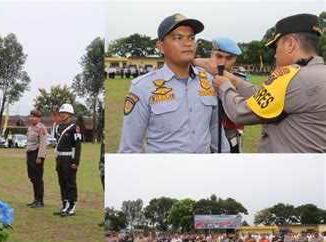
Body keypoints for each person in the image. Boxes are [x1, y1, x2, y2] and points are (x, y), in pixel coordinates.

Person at [213, 13, 326, 153]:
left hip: (288, 168)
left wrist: (224, 86)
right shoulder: (319, 73)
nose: (275, 54)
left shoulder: (293, 78)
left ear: (290, 44)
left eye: (276, 47)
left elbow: (240, 112)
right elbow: (269, 98)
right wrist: (236, 82)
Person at [118, 13, 229, 153]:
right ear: (161, 46)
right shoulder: (142, 87)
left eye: (192, 38)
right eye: (178, 38)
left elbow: (214, 127)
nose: (187, 43)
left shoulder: (209, 81)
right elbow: (129, 148)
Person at [194, 37, 246, 153]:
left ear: (235, 60)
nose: (222, 63)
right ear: (211, 54)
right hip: (201, 141)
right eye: (218, 56)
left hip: (230, 138)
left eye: (229, 58)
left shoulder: (240, 80)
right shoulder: (196, 76)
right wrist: (194, 60)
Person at [53, 104, 82, 217]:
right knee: (62, 182)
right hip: (59, 158)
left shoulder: (74, 128)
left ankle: (72, 206)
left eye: (64, 113)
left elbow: (77, 146)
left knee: (70, 183)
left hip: (69, 158)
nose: (61, 115)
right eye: (60, 113)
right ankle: (65, 204)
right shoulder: (58, 127)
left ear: (70, 114)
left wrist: (76, 162)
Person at [26, 109, 47, 208]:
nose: (32, 118)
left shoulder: (41, 128)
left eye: (34, 116)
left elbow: (43, 143)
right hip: (30, 154)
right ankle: (35, 199)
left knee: (38, 179)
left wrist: (40, 157)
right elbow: (29, 143)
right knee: (33, 178)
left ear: (39, 118)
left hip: (37, 154)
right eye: (31, 116)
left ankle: (40, 200)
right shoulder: (30, 128)